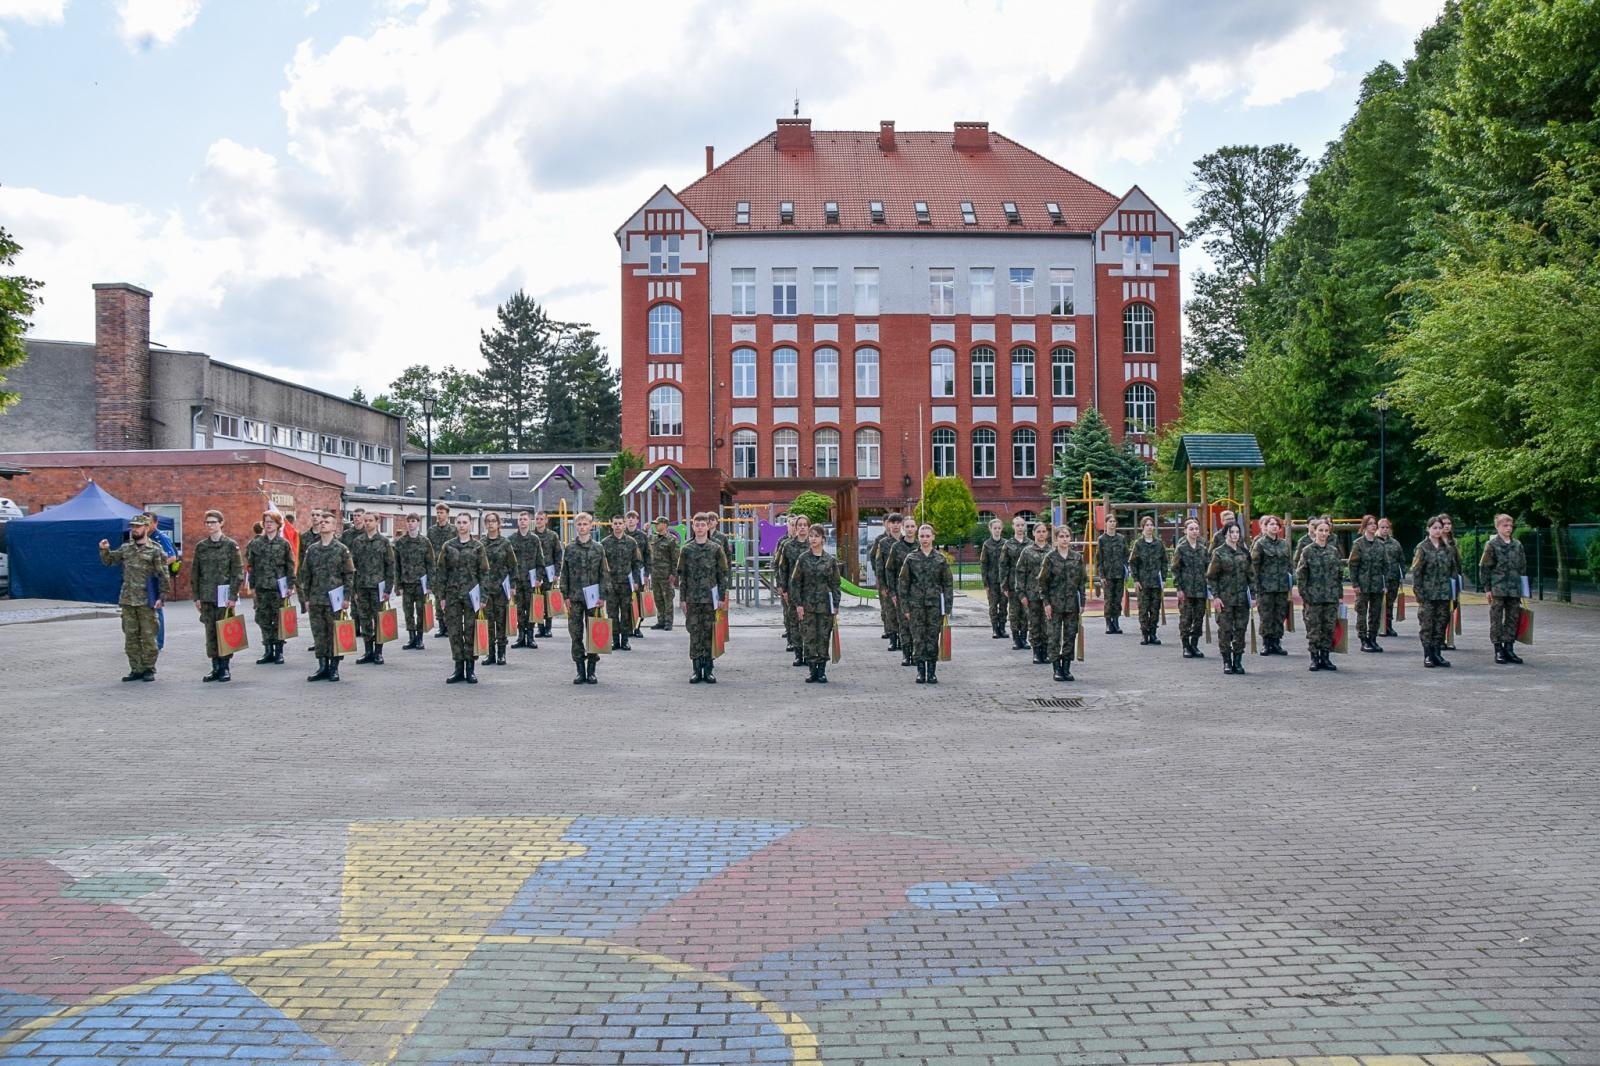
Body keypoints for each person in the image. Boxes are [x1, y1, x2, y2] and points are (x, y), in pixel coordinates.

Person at [100, 514, 172, 681]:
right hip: (128, 599)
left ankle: (148, 669)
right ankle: (136, 669)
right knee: (130, 637)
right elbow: (110, 561)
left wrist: (162, 596)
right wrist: (104, 550)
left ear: (146, 528)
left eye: (138, 527)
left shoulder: (155, 549)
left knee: (148, 636)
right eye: (132, 527)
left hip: (147, 600)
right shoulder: (126, 548)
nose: (134, 529)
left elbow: (163, 574)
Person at [299, 511, 355, 682]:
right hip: (316, 598)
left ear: (334, 526)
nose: (323, 524)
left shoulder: (341, 549)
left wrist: (347, 598)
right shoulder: (312, 549)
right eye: (321, 521)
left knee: (334, 633)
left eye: (327, 522)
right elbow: (305, 575)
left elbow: (349, 575)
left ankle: (334, 667)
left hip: (334, 599)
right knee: (319, 634)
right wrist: (306, 598)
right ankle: (322, 666)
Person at [191, 509, 244, 683]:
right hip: (207, 596)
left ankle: (225, 667)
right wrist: (196, 597)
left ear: (221, 523)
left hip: (224, 596)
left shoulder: (230, 545)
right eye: (207, 522)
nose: (210, 525)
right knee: (210, 632)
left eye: (213, 522)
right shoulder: (201, 546)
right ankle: (214, 667)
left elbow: (237, 572)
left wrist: (233, 596)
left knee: (224, 631)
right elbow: (195, 573)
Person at [676, 513, 729, 683]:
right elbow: (682, 576)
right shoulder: (686, 549)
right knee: (694, 633)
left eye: (702, 525)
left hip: (710, 599)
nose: (700, 528)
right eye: (696, 525)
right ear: (693, 527)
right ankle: (696, 669)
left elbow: (722, 575)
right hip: (692, 598)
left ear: (708, 527)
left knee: (708, 633)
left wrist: (721, 597)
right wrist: (682, 599)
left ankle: (709, 669)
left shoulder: (715, 548)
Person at [898, 523, 952, 685]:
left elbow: (948, 584)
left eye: (928, 536)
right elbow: (903, 583)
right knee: (918, 638)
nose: (925, 539)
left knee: (933, 638)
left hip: (935, 606)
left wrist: (947, 607)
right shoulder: (911, 558)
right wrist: (905, 607)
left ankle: (932, 672)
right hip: (916, 606)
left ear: (933, 537)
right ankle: (920, 671)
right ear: (918, 538)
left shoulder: (940, 559)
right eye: (922, 536)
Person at [561, 511, 610, 684]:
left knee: (594, 633)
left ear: (591, 526)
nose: (582, 527)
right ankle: (580, 670)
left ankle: (591, 671)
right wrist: (564, 594)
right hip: (574, 597)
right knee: (576, 634)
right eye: (579, 525)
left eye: (585, 524)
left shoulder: (598, 548)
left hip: (593, 598)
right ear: (576, 527)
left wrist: (603, 595)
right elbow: (564, 573)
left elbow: (604, 573)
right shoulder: (569, 548)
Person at [438, 512, 487, 684]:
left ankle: (470, 668)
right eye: (458, 522)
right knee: (454, 631)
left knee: (470, 630)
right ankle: (458, 668)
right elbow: (441, 572)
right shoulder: (448, 546)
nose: (461, 525)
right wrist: (441, 596)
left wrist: (483, 597)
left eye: (465, 522)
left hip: (471, 594)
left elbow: (484, 573)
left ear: (470, 525)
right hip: (452, 594)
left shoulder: (478, 547)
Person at [791, 524, 841, 684]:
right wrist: (798, 604)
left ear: (823, 540)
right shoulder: (803, 559)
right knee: (809, 637)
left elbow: (835, 584)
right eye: (811, 536)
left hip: (825, 606)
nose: (813, 539)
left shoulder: (830, 560)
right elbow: (795, 583)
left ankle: (822, 671)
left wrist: (836, 604)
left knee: (824, 637)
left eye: (816, 536)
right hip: (808, 606)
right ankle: (812, 670)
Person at [244, 510, 295, 665]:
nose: (268, 524)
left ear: (278, 524)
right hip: (261, 587)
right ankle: (267, 650)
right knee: (263, 619)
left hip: (278, 588)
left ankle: (279, 651)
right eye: (266, 521)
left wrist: (291, 585)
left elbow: (290, 566)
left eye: (271, 522)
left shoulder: (284, 544)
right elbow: (251, 566)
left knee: (278, 620)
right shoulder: (256, 543)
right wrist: (252, 586)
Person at [1296, 516, 1345, 672]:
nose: (1323, 533)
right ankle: (1314, 658)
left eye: (1326, 531)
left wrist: (1339, 594)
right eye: (1320, 530)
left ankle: (1325, 657)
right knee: (1314, 629)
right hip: (1314, 597)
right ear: (1315, 531)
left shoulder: (1333, 551)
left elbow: (1339, 574)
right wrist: (1305, 595)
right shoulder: (1308, 551)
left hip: (1330, 596)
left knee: (1329, 627)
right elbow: (1301, 574)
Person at [1039, 524, 1087, 682]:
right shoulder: (1050, 558)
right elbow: (1042, 583)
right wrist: (1046, 603)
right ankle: (1056, 668)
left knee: (1070, 636)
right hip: (1054, 604)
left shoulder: (1077, 557)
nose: (1065, 539)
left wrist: (1082, 602)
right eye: (1061, 536)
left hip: (1072, 604)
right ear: (1056, 539)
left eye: (1067, 536)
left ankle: (1066, 667)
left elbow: (1081, 582)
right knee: (1053, 637)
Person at [1479, 512, 1527, 665]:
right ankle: (1498, 649)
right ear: (1497, 527)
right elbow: (1485, 567)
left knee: (1513, 618)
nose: (1508, 528)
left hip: (1513, 588)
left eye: (1510, 525)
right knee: (1496, 620)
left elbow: (1522, 567)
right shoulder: (1492, 545)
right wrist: (1487, 588)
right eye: (1505, 525)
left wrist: (1524, 589)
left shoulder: (1517, 545)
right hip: (1498, 588)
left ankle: (1509, 648)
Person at [1206, 522, 1254, 675]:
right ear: (1226, 534)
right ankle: (1227, 661)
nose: (1235, 535)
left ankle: (1238, 661)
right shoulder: (1219, 553)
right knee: (1225, 631)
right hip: (1225, 599)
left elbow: (1251, 576)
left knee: (1240, 630)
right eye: (1232, 532)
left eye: (1237, 532)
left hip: (1241, 599)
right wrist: (1216, 597)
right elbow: (1211, 577)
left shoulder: (1244, 553)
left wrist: (1253, 595)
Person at [350, 511, 396, 667]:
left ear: (377, 522)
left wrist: (388, 589)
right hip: (362, 586)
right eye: (366, 520)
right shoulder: (358, 541)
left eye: (370, 520)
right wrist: (353, 590)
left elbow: (390, 566)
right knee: (364, 620)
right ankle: (368, 650)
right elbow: (353, 567)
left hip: (378, 587)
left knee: (378, 620)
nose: (368, 523)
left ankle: (378, 652)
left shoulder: (383, 542)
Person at [1411, 515, 1455, 669]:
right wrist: (1419, 594)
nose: (1437, 531)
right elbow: (1417, 572)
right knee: (1427, 625)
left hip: (1443, 594)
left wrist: (1453, 592)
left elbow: (1452, 572)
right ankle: (1428, 654)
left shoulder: (1448, 549)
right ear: (1428, 529)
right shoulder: (1422, 547)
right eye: (1434, 528)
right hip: (1428, 594)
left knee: (1441, 623)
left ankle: (1437, 653)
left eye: (1439, 528)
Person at [479, 512, 518, 666]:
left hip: (502, 588)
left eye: (493, 521)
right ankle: (490, 654)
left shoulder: (505, 543)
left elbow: (513, 565)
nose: (490, 524)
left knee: (501, 622)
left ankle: (502, 654)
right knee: (488, 623)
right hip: (486, 589)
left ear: (498, 524)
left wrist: (513, 586)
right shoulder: (481, 543)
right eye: (488, 521)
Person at [1251, 515, 1291, 656]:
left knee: (1279, 615)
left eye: (1276, 524)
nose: (1274, 526)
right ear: (1265, 527)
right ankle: (1267, 643)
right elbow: (1254, 567)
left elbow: (1288, 565)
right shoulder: (1260, 544)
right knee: (1266, 616)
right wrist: (1255, 587)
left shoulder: (1284, 544)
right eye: (1271, 524)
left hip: (1281, 587)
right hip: (1265, 587)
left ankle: (1276, 642)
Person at [1346, 515, 1387, 653]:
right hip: (1363, 585)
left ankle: (1373, 638)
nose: (1373, 526)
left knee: (1375, 613)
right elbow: (1353, 565)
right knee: (1361, 613)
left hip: (1376, 585)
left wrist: (1384, 583)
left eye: (1374, 523)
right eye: (1370, 524)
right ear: (1364, 526)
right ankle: (1364, 639)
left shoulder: (1380, 544)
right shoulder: (1358, 544)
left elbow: (1385, 565)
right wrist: (1355, 584)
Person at [600, 515, 642, 652]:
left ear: (624, 525)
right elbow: (601, 566)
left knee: (626, 613)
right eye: (615, 523)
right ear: (611, 525)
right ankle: (614, 640)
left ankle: (625, 640)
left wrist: (636, 581)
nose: (617, 526)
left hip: (626, 584)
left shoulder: (631, 542)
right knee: (612, 613)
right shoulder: (605, 543)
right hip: (611, 584)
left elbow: (637, 563)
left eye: (620, 523)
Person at [393, 514, 435, 650]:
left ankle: (419, 638)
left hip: (420, 583)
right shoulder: (400, 543)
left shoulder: (425, 542)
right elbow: (397, 566)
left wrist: (430, 585)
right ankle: (411, 637)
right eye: (409, 521)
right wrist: (397, 585)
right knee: (408, 611)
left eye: (413, 521)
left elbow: (430, 564)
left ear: (418, 523)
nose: (411, 524)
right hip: (406, 582)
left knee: (421, 610)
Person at [1172, 519, 1208, 660]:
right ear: (1185, 531)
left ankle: (1194, 644)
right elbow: (1175, 569)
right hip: (1186, 589)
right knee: (1186, 619)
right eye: (1191, 529)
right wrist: (1178, 588)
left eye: (1196, 529)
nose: (1194, 531)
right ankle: (1186, 646)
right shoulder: (1181, 548)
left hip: (1200, 589)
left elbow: (1207, 569)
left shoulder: (1202, 549)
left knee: (1198, 619)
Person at [507, 511, 545, 651]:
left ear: (529, 521)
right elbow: (509, 563)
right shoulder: (511, 539)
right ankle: (521, 636)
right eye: (520, 519)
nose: (522, 521)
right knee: (518, 609)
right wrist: (511, 583)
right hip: (517, 580)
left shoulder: (534, 539)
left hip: (531, 580)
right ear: (518, 522)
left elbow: (540, 560)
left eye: (525, 519)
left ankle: (530, 636)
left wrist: (539, 578)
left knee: (531, 609)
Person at [1015, 521, 1051, 665]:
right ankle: (1037, 652)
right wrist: (1021, 594)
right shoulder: (1027, 552)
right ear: (1033, 533)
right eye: (1038, 532)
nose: (1041, 534)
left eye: (1043, 531)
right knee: (1034, 624)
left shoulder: (1052, 551)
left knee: (1048, 624)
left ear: (1047, 534)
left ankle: (1046, 651)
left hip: (1048, 596)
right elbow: (1020, 573)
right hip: (1032, 594)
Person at [1129, 515, 1168, 646]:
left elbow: (1164, 562)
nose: (1150, 527)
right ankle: (1145, 634)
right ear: (1142, 528)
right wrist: (1136, 579)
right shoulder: (1138, 544)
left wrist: (1164, 578)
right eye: (1147, 525)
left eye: (1151, 525)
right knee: (1143, 609)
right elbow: (1133, 563)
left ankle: (1153, 633)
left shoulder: (1159, 544)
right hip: (1143, 582)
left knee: (1155, 609)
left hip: (1156, 582)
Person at [143, 511, 179, 651]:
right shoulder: (143, 537)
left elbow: (172, 557)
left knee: (157, 609)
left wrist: (156, 565)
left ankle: (158, 642)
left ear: (155, 523)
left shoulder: (160, 537)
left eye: (148, 522)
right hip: (144, 578)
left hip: (157, 577)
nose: (145, 525)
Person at [776, 515, 809, 661]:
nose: (802, 527)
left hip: (810, 590)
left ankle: (809, 652)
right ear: (795, 528)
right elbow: (782, 567)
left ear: (808, 527)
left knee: (808, 622)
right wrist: (783, 588)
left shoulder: (813, 544)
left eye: (805, 525)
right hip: (792, 589)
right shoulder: (788, 546)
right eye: (799, 525)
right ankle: (798, 653)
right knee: (794, 621)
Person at [892, 518, 922, 666]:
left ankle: (917, 654)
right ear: (903, 529)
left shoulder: (920, 546)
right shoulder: (896, 547)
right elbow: (889, 570)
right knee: (904, 623)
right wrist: (892, 591)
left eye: (912, 526)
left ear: (916, 528)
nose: (910, 529)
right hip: (902, 591)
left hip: (918, 594)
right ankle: (906, 654)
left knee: (917, 625)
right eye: (907, 526)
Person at [1096, 514, 1130, 635]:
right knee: (1108, 600)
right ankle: (1108, 623)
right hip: (1108, 575)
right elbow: (1099, 559)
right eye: (1110, 521)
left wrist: (1126, 569)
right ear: (1106, 523)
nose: (1112, 523)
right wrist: (1101, 576)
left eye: (1114, 521)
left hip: (1119, 574)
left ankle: (1116, 622)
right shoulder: (1102, 539)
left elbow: (1126, 554)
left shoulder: (1121, 538)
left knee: (1117, 599)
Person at [870, 514, 902, 644]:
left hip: (902, 582)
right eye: (892, 522)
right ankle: (891, 635)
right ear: (887, 524)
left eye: (897, 522)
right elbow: (876, 559)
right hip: (887, 581)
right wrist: (880, 579)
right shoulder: (881, 541)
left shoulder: (906, 541)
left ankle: (902, 638)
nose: (894, 525)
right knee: (888, 609)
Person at [1001, 514, 1030, 651]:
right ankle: (1016, 638)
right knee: (1014, 612)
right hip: (1013, 583)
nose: (1020, 527)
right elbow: (1003, 565)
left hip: (1027, 584)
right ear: (1013, 527)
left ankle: (1024, 638)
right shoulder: (1008, 544)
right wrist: (1004, 584)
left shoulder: (1030, 544)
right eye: (1017, 525)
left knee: (1025, 612)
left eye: (1022, 525)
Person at [533, 510, 563, 638]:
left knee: (548, 601)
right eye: (537, 519)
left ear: (546, 520)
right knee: (538, 601)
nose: (539, 521)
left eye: (541, 519)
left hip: (549, 572)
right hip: (535, 573)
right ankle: (540, 628)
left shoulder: (553, 536)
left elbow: (558, 554)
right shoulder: (531, 536)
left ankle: (549, 627)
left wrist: (557, 572)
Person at [978, 517, 1009, 639]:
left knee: (1003, 605)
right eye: (995, 528)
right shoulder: (987, 544)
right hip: (991, 581)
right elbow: (983, 564)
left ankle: (1002, 628)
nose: (997, 530)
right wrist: (985, 583)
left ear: (1002, 529)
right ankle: (995, 629)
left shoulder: (1006, 544)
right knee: (993, 605)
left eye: (999, 528)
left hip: (1004, 580)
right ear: (990, 529)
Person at [649, 516, 681, 630]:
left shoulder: (671, 540)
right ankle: (660, 621)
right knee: (658, 598)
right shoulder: (653, 538)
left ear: (665, 525)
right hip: (655, 573)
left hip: (666, 574)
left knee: (668, 598)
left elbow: (675, 559)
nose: (656, 525)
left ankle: (668, 622)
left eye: (658, 523)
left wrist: (673, 574)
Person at [428, 503, 454, 638]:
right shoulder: (432, 531)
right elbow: (428, 549)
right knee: (438, 598)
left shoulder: (453, 530)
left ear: (447, 514)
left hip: (449, 568)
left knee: (449, 597)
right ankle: (441, 626)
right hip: (436, 568)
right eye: (437, 512)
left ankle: (450, 625)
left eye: (442, 512)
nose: (439, 515)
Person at [625, 511, 651, 638]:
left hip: (639, 571)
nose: (630, 520)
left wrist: (647, 573)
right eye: (628, 518)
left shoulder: (642, 536)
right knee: (626, 601)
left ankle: (637, 627)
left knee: (639, 601)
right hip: (624, 572)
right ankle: (627, 628)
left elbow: (648, 554)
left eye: (633, 518)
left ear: (637, 520)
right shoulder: (621, 534)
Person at [1377, 517, 1404, 637]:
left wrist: (1401, 574)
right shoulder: (1375, 542)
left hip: (1393, 578)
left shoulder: (1395, 543)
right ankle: (1378, 626)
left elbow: (1401, 560)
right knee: (1378, 604)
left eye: (1387, 527)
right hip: (1379, 579)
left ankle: (1388, 626)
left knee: (1390, 603)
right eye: (1382, 527)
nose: (1385, 530)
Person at [1440, 513, 1463, 651]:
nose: (1447, 526)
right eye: (1444, 524)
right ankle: (1439, 638)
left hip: (1453, 582)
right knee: (1441, 611)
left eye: (1449, 523)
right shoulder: (1435, 543)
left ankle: (1448, 637)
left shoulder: (1453, 543)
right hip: (1440, 583)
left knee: (1451, 609)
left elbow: (1458, 564)